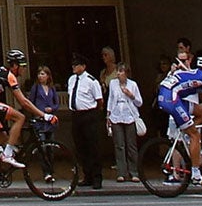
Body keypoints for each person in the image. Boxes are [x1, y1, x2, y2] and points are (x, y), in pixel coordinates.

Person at [0, 48, 53, 169]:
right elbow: (23, 102)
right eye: (22, 65)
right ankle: (7, 154)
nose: (24, 68)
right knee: (20, 117)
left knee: (2, 137)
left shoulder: (2, 72)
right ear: (14, 65)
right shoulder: (9, 75)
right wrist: (43, 115)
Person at [158, 54, 202, 187]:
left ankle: (188, 139)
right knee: (195, 134)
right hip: (170, 99)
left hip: (174, 97)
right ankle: (195, 175)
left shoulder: (196, 76)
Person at [65, 57, 104, 191]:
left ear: (83, 66)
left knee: (92, 146)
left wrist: (94, 113)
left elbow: (99, 101)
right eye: (73, 65)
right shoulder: (71, 80)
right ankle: (87, 175)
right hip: (76, 115)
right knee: (80, 147)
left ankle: (97, 177)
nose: (74, 67)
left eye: (76, 65)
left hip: (89, 114)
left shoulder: (91, 81)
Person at [105, 62, 143, 183]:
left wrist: (131, 95)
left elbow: (139, 102)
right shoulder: (113, 84)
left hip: (129, 115)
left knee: (131, 145)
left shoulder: (133, 85)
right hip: (116, 115)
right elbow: (111, 99)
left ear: (126, 73)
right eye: (118, 71)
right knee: (119, 145)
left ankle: (134, 172)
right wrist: (108, 114)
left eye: (121, 71)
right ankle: (121, 172)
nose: (118, 74)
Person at [29, 65, 60, 148]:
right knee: (42, 145)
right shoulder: (35, 87)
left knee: (51, 144)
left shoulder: (51, 88)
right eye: (39, 74)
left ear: (48, 76)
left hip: (50, 121)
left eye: (42, 74)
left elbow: (57, 103)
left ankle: (51, 160)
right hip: (39, 119)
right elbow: (30, 102)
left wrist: (52, 108)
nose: (40, 76)